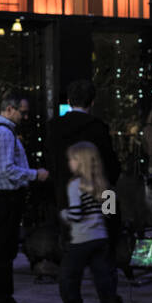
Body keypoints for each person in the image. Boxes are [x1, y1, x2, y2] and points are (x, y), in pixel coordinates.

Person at [47, 142, 146, 303]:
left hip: (80, 240)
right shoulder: (105, 185)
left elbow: (75, 214)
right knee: (104, 283)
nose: (70, 163)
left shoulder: (75, 185)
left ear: (80, 162)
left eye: (72, 159)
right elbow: (109, 213)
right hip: (99, 238)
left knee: (68, 281)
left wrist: (63, 214)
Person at [0, 91, 48, 303]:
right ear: (9, 109)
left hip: (4, 197)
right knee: (4, 249)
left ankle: (3, 299)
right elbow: (6, 170)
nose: (25, 117)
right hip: (6, 197)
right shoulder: (3, 134)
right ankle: (2, 300)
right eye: (23, 112)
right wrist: (34, 174)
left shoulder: (3, 132)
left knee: (5, 249)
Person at [47, 79, 121, 207]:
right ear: (92, 102)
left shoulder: (54, 127)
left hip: (64, 196)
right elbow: (109, 164)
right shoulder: (98, 127)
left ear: (69, 101)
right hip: (97, 194)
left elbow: (50, 162)